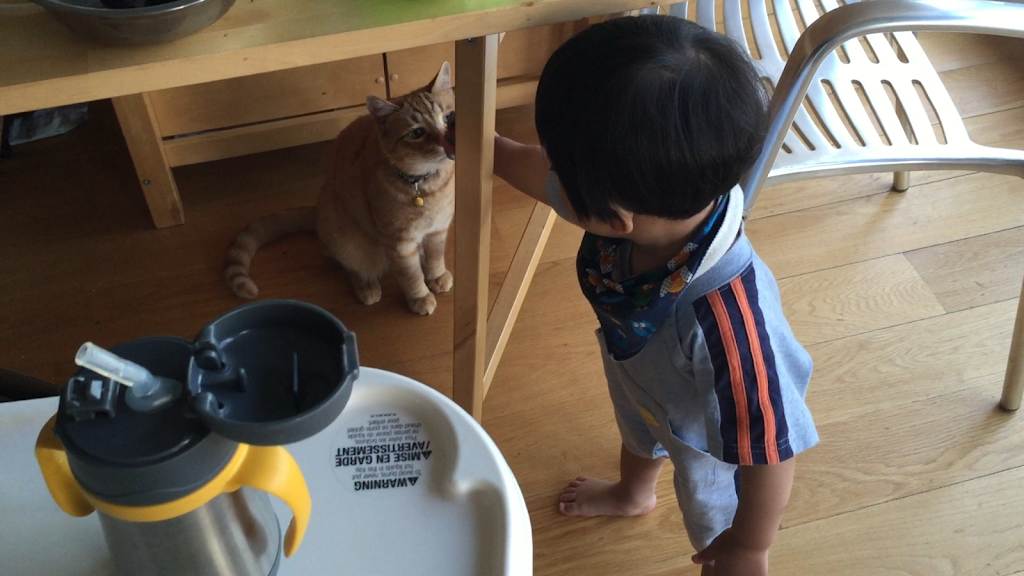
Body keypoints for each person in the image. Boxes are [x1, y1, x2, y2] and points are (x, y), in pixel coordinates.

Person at [446, 15, 817, 575]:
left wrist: (749, 545)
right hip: (640, 368)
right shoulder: (650, 201)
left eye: (561, 168)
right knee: (639, 429)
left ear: (614, 218)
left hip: (710, 437)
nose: (552, 173)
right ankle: (633, 493)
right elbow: (542, 175)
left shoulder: (731, 324)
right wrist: (491, 149)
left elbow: (769, 447)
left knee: (709, 516)